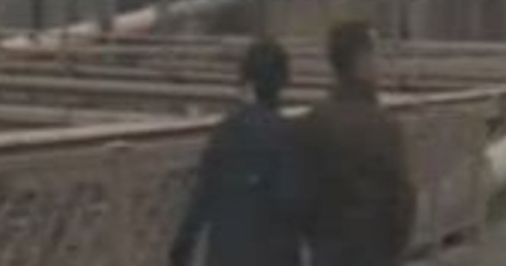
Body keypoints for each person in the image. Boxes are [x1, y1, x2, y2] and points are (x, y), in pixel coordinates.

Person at [170, 38, 301, 266]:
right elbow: (298, 203)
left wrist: (180, 251)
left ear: (246, 82)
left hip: (227, 254)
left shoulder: (225, 132)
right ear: (283, 83)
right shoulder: (289, 135)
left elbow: (201, 200)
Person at [294, 21, 416, 266]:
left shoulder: (311, 122)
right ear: (362, 61)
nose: (379, 64)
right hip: (375, 253)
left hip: (327, 253)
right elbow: (403, 199)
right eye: (376, 55)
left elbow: (299, 196)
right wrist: (392, 251)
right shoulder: (384, 125)